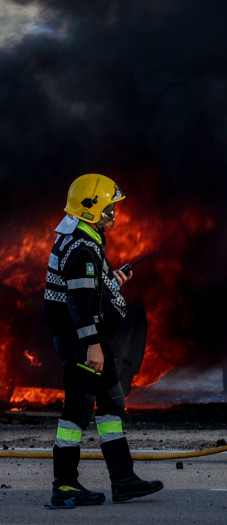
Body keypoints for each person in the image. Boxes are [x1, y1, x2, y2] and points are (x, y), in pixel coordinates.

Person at [42, 173, 163, 507]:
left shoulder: (77, 236)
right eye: (110, 207)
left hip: (87, 338)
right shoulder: (81, 247)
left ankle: (123, 481)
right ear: (91, 208)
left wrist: (112, 282)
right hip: (83, 341)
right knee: (76, 414)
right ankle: (64, 485)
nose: (114, 213)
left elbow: (86, 291)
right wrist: (92, 345)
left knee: (111, 404)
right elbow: (78, 305)